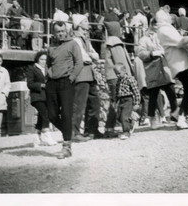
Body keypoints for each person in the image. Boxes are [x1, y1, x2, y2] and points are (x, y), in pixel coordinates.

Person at [156, 10, 188, 130]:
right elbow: (180, 42)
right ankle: (180, 117)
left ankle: (178, 115)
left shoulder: (163, 29)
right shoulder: (165, 29)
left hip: (179, 63)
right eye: (168, 15)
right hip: (179, 63)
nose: (171, 17)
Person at [46, 21, 83, 159]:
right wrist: (48, 76)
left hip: (66, 82)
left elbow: (79, 62)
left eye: (62, 31)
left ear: (65, 31)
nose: (60, 34)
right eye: (57, 31)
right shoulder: (51, 47)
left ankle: (66, 146)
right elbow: (48, 64)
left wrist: (71, 78)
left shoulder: (73, 44)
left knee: (66, 114)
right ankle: (69, 132)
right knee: (51, 115)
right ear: (54, 33)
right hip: (52, 84)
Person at [136, 19, 178, 129]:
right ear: (151, 25)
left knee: (171, 93)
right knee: (153, 96)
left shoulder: (162, 35)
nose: (156, 27)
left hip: (165, 69)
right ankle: (152, 119)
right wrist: (152, 53)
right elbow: (140, 53)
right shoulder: (144, 39)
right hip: (153, 70)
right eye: (155, 25)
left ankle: (176, 116)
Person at [71, 14, 101, 142]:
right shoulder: (75, 40)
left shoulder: (85, 39)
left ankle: (92, 130)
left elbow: (96, 55)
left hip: (89, 73)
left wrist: (91, 55)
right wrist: (91, 55)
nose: (88, 23)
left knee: (94, 103)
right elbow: (84, 57)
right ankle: (74, 132)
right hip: (81, 74)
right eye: (85, 21)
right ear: (79, 24)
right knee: (79, 104)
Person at [104, 21, 134, 137]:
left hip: (111, 76)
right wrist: (128, 76)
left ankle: (109, 128)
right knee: (122, 102)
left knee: (115, 102)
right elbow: (121, 62)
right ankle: (123, 127)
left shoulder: (109, 42)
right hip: (117, 77)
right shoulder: (116, 43)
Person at [27, 50, 57, 147]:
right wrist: (42, 85)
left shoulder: (48, 69)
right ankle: (46, 136)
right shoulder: (32, 69)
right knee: (45, 114)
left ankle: (36, 137)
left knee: (41, 116)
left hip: (47, 96)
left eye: (45, 59)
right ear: (37, 59)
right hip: (37, 96)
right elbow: (30, 84)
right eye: (41, 59)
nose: (43, 61)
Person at [114, 63, 141, 140]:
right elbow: (117, 91)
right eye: (116, 74)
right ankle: (132, 120)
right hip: (121, 100)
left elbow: (136, 92)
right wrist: (115, 101)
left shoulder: (130, 79)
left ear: (124, 71)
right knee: (119, 116)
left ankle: (126, 132)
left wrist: (137, 103)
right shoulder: (118, 81)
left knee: (124, 116)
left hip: (128, 100)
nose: (118, 75)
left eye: (119, 73)